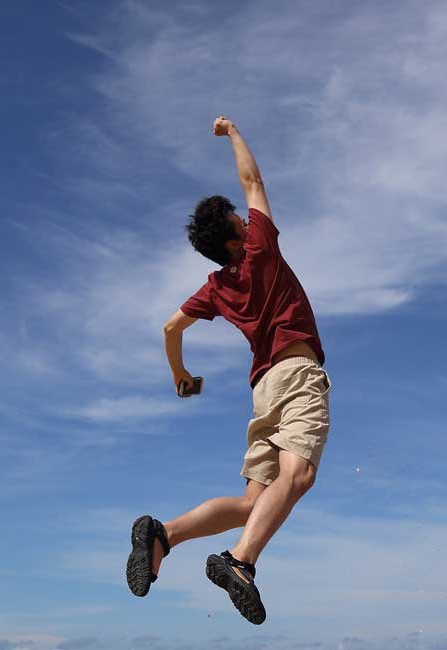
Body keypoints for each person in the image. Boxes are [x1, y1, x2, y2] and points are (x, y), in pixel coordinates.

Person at [125, 116, 331, 625]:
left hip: (263, 389)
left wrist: (180, 375)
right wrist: (234, 133)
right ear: (237, 238)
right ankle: (240, 562)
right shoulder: (260, 250)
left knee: (254, 502)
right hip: (296, 374)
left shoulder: (217, 286)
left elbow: (170, 328)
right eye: (239, 219)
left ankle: (163, 535)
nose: (245, 217)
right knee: (299, 475)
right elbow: (253, 181)